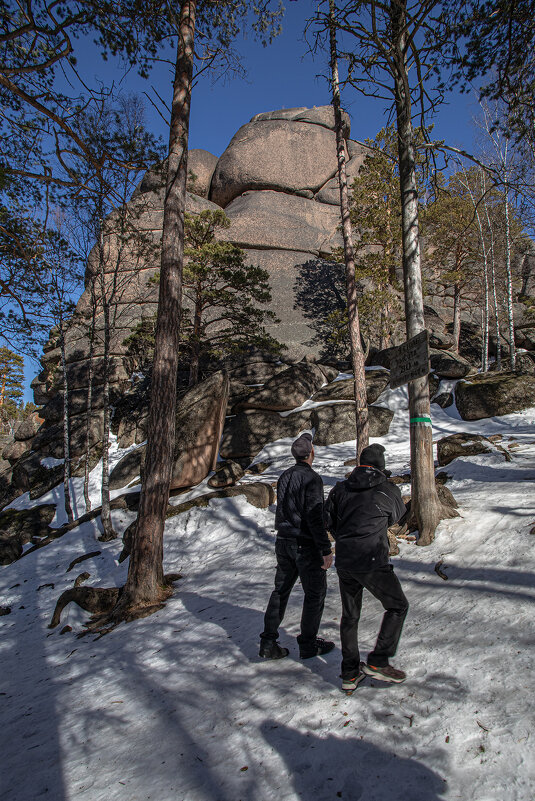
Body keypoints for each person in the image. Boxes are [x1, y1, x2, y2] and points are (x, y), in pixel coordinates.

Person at [325, 443, 408, 691]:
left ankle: (350, 674)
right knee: (398, 605)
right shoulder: (386, 489)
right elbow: (398, 515)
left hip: (346, 560)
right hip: (371, 559)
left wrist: (345, 536)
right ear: (381, 466)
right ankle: (379, 661)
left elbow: (328, 520)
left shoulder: (341, 489)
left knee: (350, 617)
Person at [259, 432, 335, 660]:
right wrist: (325, 549)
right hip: (305, 545)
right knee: (315, 593)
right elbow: (314, 517)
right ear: (312, 453)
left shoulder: (284, 476)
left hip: (283, 541)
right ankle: (309, 644)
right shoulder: (312, 478)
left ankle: (268, 642)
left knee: (280, 591)